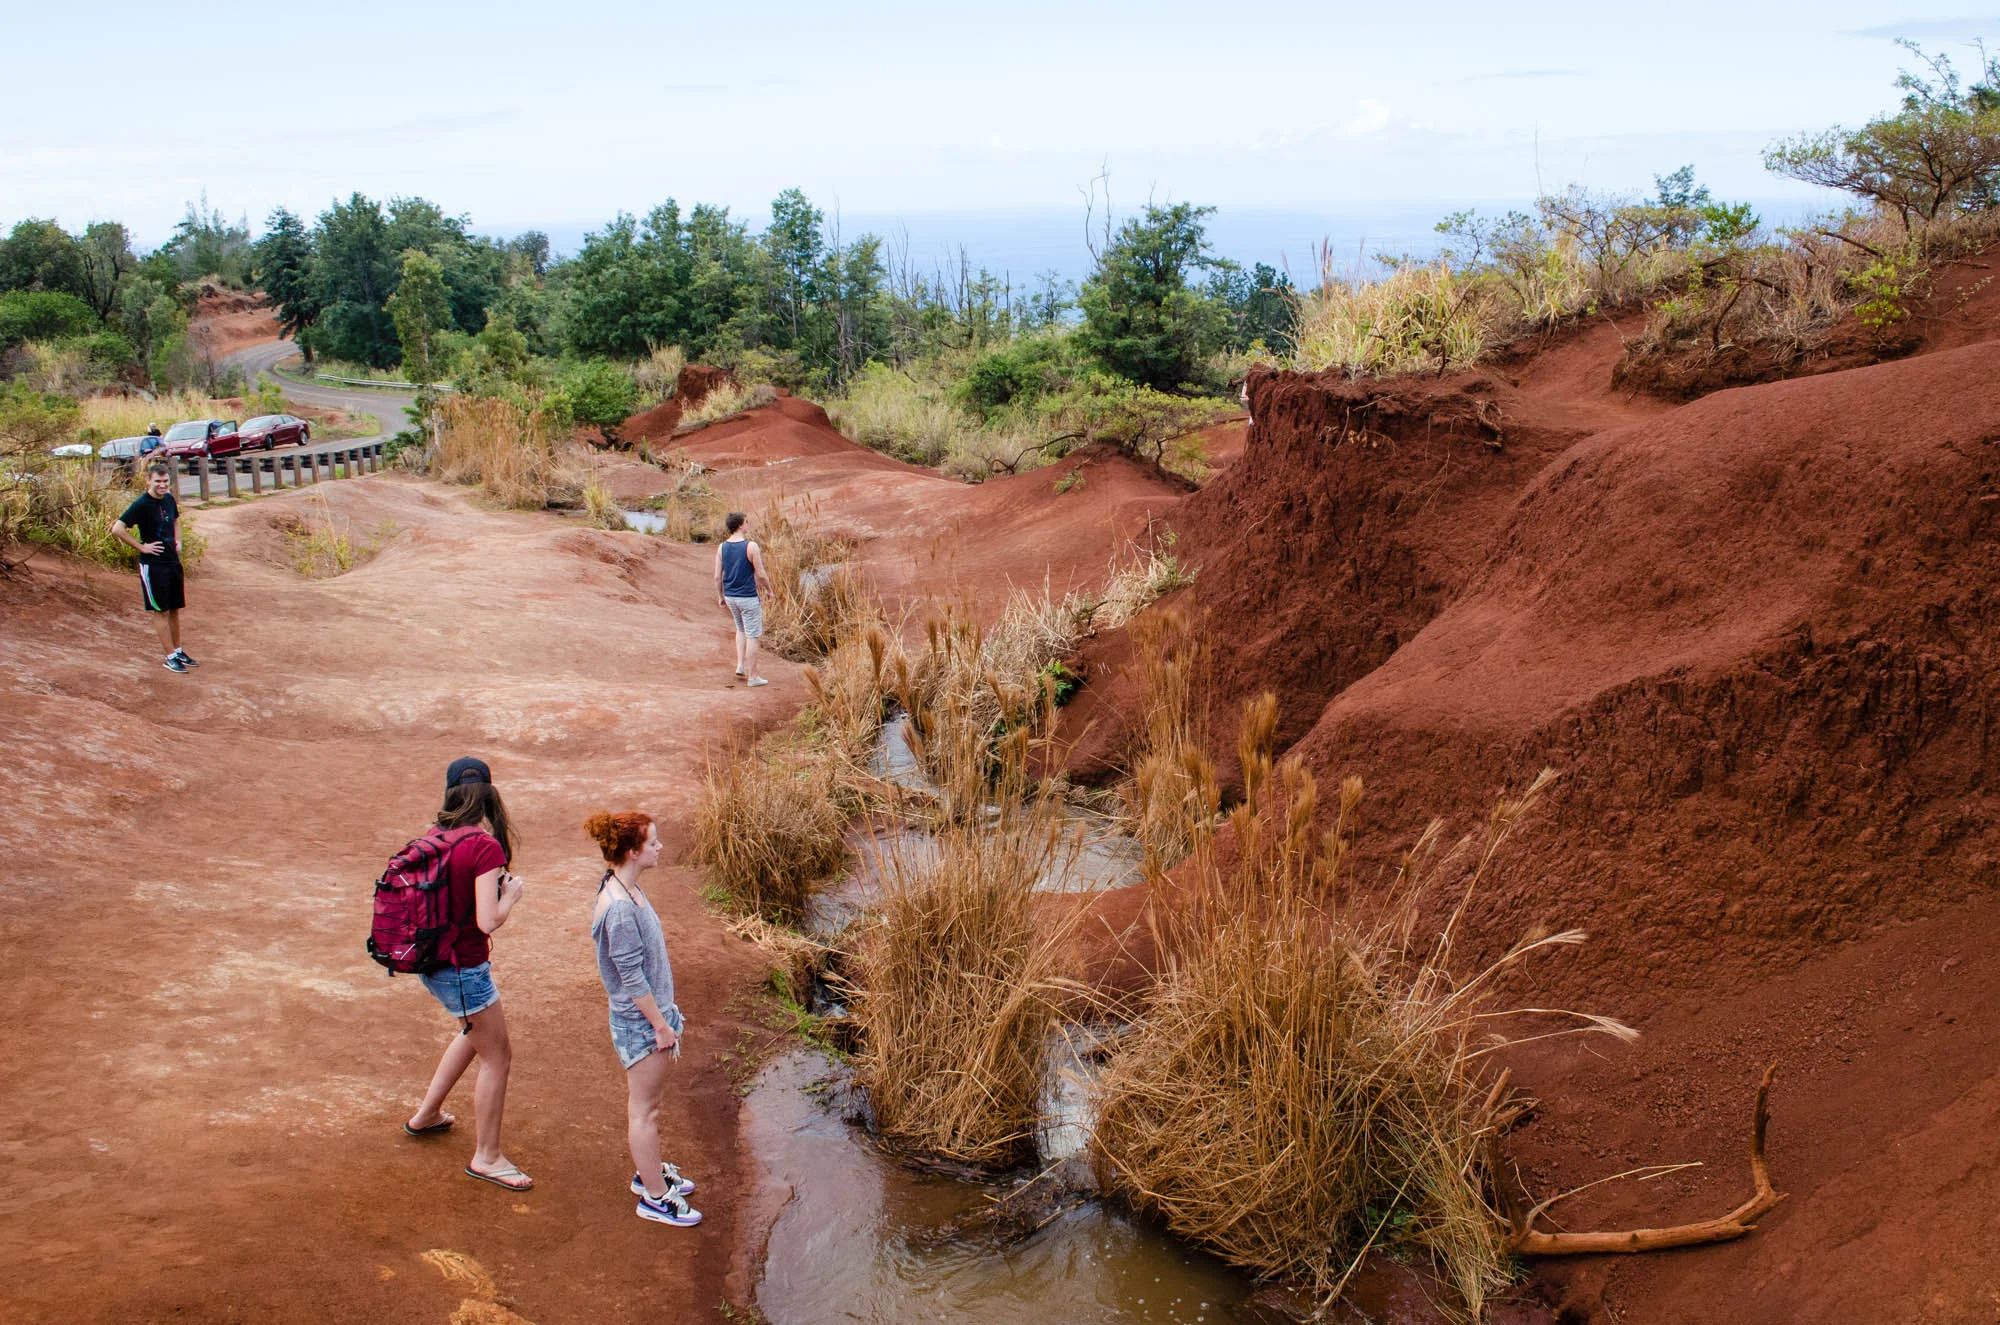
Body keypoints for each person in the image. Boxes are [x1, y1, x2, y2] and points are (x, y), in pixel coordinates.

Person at [403, 757, 532, 1192]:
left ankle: (427, 1115)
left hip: (433, 962)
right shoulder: (483, 847)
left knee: (473, 1034)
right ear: (488, 795)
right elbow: (487, 920)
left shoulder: (435, 835)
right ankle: (487, 1157)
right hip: (463, 968)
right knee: (498, 1056)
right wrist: (510, 895)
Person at [586, 810, 702, 1227]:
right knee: (645, 1112)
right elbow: (631, 977)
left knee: (649, 1106)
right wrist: (661, 1026)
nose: (660, 847)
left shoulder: (626, 887)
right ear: (633, 852)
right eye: (652, 842)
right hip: (641, 1025)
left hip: (647, 1018)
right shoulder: (619, 907)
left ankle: (649, 1172)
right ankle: (653, 1197)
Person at [110, 460, 194, 672]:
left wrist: (178, 541)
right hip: (154, 565)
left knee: (174, 608)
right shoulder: (141, 504)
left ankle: (178, 650)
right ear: (148, 481)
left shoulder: (169, 499)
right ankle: (169, 657)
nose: (162, 485)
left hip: (172, 562)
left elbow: (175, 521)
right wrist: (142, 547)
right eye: (158, 481)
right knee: (161, 610)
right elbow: (118, 529)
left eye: (165, 481)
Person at [713, 510, 773, 688]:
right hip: (747, 597)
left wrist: (720, 596)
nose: (749, 524)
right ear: (740, 525)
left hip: (731, 596)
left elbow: (717, 576)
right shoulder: (751, 546)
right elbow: (760, 574)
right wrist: (769, 590)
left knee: (740, 629)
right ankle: (753, 676)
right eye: (747, 521)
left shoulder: (722, 547)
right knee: (752, 635)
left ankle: (740, 666)